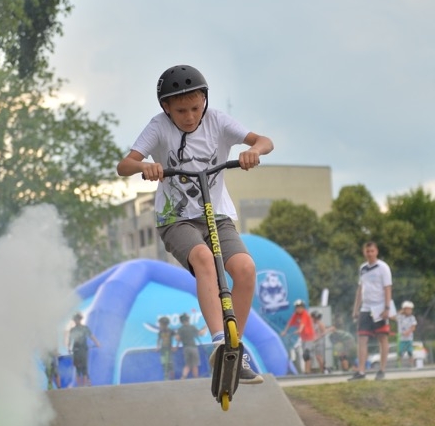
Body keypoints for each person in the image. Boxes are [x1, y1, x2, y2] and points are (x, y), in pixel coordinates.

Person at [117, 65, 272, 385]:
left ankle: (234, 347)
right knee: (204, 260)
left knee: (244, 268)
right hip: (176, 218)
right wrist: (145, 166)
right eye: (181, 111)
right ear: (166, 108)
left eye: (195, 108)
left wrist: (253, 152)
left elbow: (264, 140)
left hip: (217, 215)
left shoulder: (217, 121)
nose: (189, 116)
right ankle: (218, 340)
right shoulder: (158, 127)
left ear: (205, 101)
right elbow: (124, 165)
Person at [349, 241, 392, 381]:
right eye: (367, 251)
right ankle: (361, 371)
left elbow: (387, 288)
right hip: (366, 308)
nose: (370, 254)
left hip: (379, 307)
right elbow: (360, 289)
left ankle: (382, 369)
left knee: (382, 338)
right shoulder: (363, 268)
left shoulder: (383, 267)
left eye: (372, 251)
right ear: (364, 252)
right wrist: (356, 308)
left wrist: (387, 308)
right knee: (362, 338)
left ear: (376, 251)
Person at [281, 299, 316, 374]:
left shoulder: (305, 314)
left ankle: (308, 371)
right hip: (303, 338)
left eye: (300, 307)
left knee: (307, 354)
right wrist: (285, 331)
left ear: (303, 308)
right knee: (304, 355)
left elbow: (302, 324)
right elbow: (289, 323)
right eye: (297, 307)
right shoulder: (296, 315)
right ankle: (306, 369)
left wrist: (299, 330)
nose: (298, 309)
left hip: (309, 337)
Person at [67, 313, 100, 387]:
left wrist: (97, 343)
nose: (76, 321)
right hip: (76, 350)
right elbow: (70, 340)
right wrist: (69, 348)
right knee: (78, 368)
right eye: (75, 319)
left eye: (78, 319)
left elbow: (91, 336)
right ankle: (79, 386)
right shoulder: (72, 330)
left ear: (80, 319)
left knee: (84, 368)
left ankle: (84, 385)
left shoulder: (85, 328)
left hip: (83, 350)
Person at [176, 312, 206, 379]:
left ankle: (183, 376)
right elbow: (201, 334)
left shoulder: (180, 329)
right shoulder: (192, 327)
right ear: (188, 319)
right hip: (193, 347)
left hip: (186, 348)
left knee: (188, 363)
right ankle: (196, 377)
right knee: (195, 364)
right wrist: (205, 328)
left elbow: (177, 338)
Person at [396, 301, 417, 368]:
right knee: (400, 353)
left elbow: (413, 327)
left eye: (410, 309)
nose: (409, 311)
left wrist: (408, 332)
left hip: (409, 338)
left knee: (410, 352)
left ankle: (411, 365)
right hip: (401, 339)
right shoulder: (400, 317)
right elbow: (395, 316)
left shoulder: (412, 318)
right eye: (407, 309)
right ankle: (399, 366)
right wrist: (401, 311)